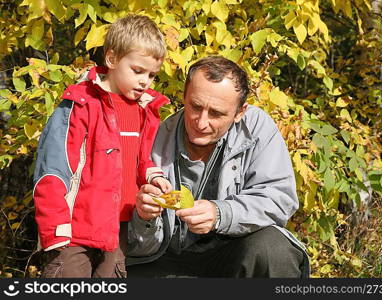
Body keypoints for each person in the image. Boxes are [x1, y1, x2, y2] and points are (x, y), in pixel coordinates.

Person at [126, 56, 310, 277]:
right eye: (195, 107)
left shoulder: (258, 129)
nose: (201, 123)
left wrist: (220, 214)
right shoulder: (153, 137)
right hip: (164, 255)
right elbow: (136, 244)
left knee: (273, 247)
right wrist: (144, 218)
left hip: (231, 249)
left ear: (240, 112)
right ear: (184, 96)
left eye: (216, 113)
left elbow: (279, 199)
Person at [33, 14, 171, 278]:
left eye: (152, 75)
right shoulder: (80, 104)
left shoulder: (145, 111)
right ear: (112, 59)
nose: (145, 81)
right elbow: (53, 167)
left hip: (118, 231)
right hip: (74, 230)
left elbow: (141, 161)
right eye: (138, 71)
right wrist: (55, 229)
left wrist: (155, 179)